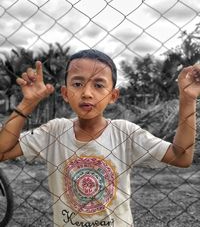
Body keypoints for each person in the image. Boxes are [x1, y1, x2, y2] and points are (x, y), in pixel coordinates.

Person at [0, 49, 199, 227]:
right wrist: (28, 103)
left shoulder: (125, 133)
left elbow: (181, 157)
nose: (87, 93)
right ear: (65, 93)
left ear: (113, 95)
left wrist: (188, 100)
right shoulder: (53, 132)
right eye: (77, 84)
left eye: (98, 85)